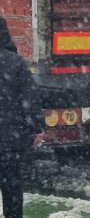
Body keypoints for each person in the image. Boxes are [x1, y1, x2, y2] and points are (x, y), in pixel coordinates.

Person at [0, 17, 41, 218]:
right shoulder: (16, 63)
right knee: (12, 188)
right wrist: (35, 128)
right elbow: (30, 99)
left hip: (9, 137)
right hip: (10, 140)